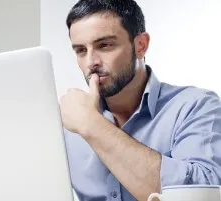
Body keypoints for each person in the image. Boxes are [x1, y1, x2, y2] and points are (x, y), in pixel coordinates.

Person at [59, 0, 221, 201]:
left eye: (105, 45)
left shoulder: (196, 106)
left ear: (141, 45)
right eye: (81, 50)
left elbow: (204, 195)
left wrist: (92, 125)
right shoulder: (63, 123)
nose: (91, 62)